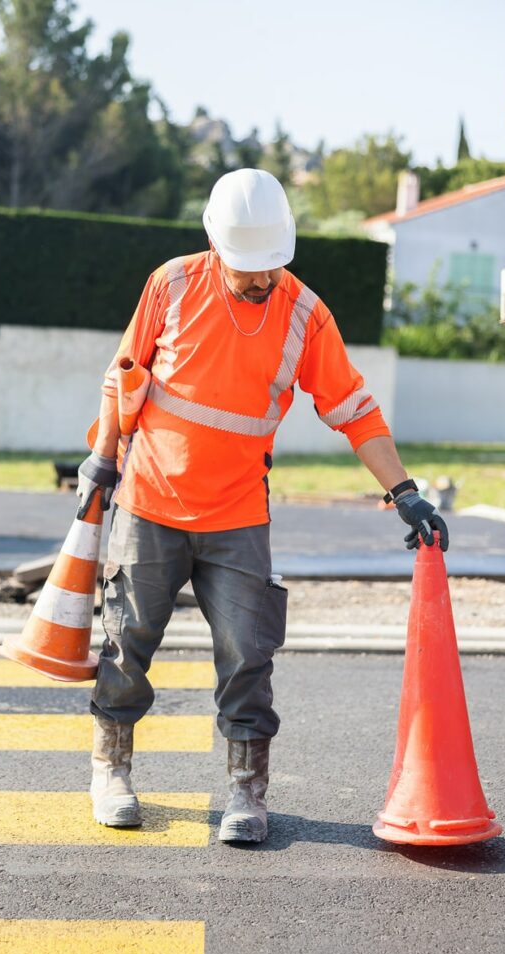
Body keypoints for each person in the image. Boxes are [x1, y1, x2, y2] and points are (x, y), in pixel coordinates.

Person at [77, 168, 449, 844]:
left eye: (272, 265)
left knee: (249, 656)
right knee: (126, 643)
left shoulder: (305, 313)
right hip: (150, 502)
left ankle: (247, 791)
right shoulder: (172, 284)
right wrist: (102, 459)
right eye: (248, 267)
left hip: (238, 516)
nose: (262, 279)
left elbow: (355, 409)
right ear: (215, 246)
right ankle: (112, 771)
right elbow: (122, 375)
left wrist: (405, 491)